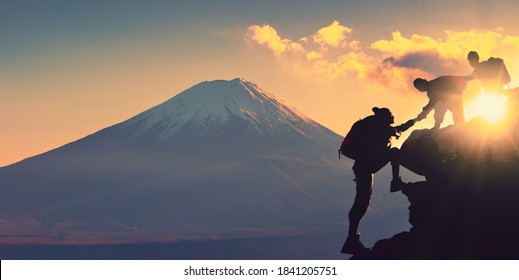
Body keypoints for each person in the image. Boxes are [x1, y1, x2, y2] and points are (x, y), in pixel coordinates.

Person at [340, 107, 414, 254]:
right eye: (391, 117)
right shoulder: (379, 128)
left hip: (364, 166)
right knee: (361, 201)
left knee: (362, 201)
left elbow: (397, 129)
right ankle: (395, 182)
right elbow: (398, 130)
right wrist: (414, 121)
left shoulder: (374, 126)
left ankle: (352, 238)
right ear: (386, 118)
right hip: (366, 167)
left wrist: (414, 121)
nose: (393, 119)